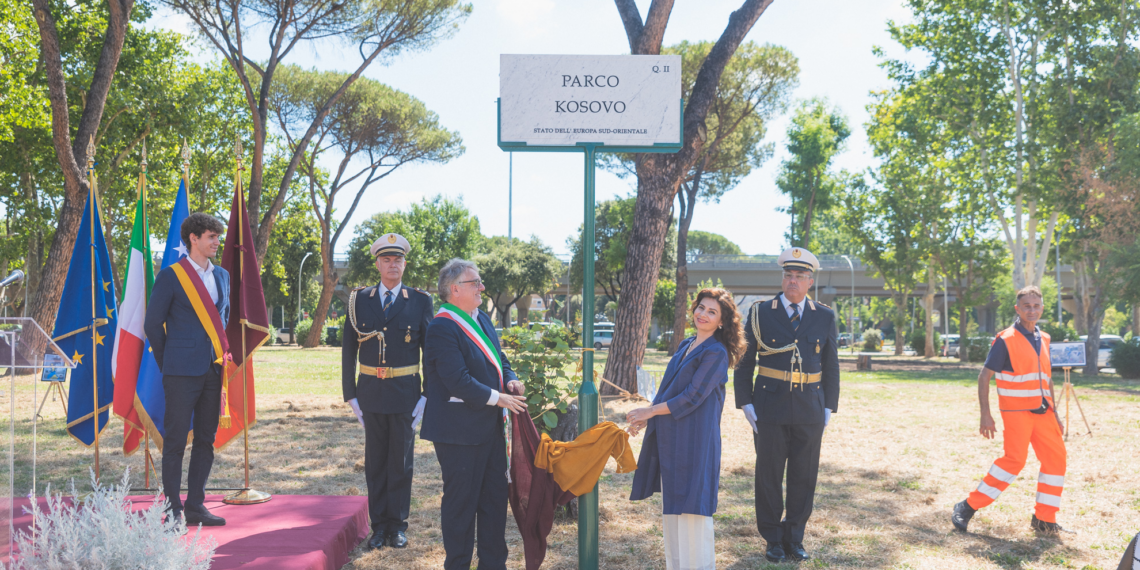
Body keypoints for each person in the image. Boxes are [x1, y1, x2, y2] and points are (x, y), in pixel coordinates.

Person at [420, 258, 528, 570]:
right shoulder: (441, 326)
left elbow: (500, 360)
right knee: (461, 507)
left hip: (489, 428)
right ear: (454, 289)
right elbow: (457, 380)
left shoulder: (481, 318)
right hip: (458, 433)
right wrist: (499, 398)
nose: (482, 287)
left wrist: (510, 379)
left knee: (494, 501)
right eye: (475, 282)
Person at [628, 288, 746, 570]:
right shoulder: (686, 345)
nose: (703, 314)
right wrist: (648, 416)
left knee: (693, 508)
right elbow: (668, 391)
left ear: (722, 321)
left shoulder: (716, 353)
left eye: (712, 312)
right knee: (673, 510)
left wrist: (650, 411)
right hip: (672, 438)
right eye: (701, 307)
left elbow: (692, 397)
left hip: (696, 441)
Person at [734, 247, 839, 563]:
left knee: (804, 476)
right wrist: (745, 402)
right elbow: (744, 361)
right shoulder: (760, 313)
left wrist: (829, 406)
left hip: (810, 406)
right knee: (768, 475)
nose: (793, 281)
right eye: (788, 275)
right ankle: (772, 539)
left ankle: (794, 537)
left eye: (799, 276)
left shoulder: (824, 315)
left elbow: (831, 364)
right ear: (783, 279)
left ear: (810, 282)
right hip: (769, 406)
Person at [342, 233, 434, 550]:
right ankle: (378, 526)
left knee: (401, 463)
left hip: (406, 394)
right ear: (378, 264)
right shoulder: (359, 300)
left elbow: (429, 352)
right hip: (370, 393)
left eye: (398, 259)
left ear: (404, 264)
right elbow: (348, 351)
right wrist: (350, 394)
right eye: (386, 259)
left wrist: (426, 395)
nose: (392, 264)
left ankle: (397, 526)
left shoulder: (420, 301)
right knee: (376, 462)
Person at [952, 285, 1068, 534]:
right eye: (1026, 306)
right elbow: (984, 376)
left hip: (1045, 413)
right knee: (1014, 461)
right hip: (1016, 413)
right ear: (1017, 309)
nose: (1031, 310)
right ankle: (968, 506)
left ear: (1042, 308)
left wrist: (1056, 413)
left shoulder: (1045, 338)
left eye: (1036, 306)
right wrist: (985, 414)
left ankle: (1044, 518)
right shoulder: (1005, 339)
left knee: (1056, 460)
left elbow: (1047, 379)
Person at [143, 212, 230, 527]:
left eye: (217, 237)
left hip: (214, 370)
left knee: (206, 439)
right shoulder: (171, 276)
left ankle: (195, 506)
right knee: (176, 441)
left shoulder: (223, 276)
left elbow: (222, 320)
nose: (216, 242)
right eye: (211, 237)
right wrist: (169, 363)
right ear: (193, 238)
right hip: (180, 373)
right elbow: (152, 324)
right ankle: (172, 510)